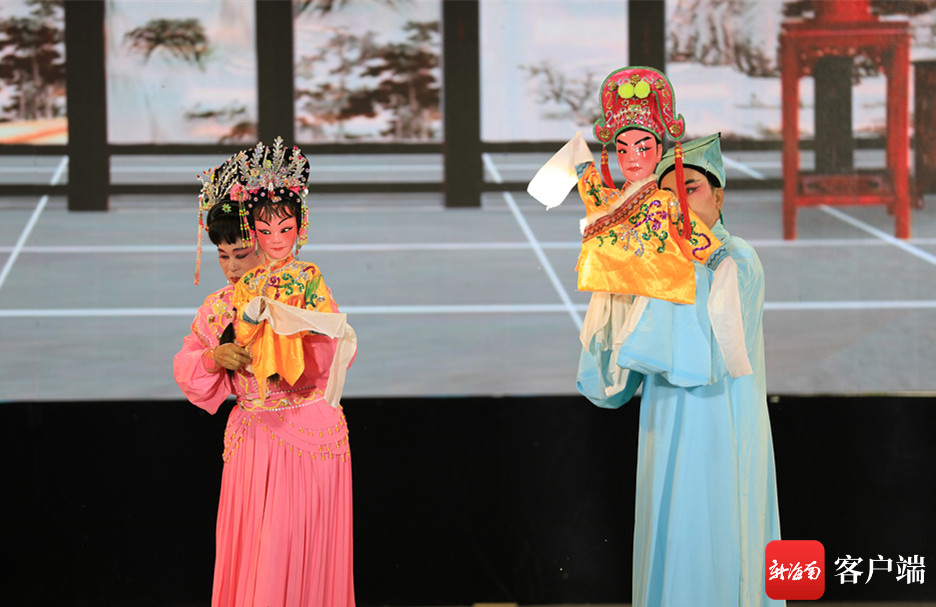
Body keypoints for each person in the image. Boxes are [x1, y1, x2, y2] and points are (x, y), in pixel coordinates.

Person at [577, 132, 784, 607]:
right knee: (668, 537)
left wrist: (645, 276)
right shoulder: (658, 266)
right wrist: (614, 280)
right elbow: (609, 385)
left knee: (721, 538)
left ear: (719, 196)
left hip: (723, 429)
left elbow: (702, 356)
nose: (678, 204)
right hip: (665, 428)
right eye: (666, 195)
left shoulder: (736, 259)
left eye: (691, 189)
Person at [174, 139, 357, 607]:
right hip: (252, 439)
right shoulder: (217, 307)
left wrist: (285, 332)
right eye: (223, 256)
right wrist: (215, 358)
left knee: (291, 552)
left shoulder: (303, 287)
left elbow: (332, 356)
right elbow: (190, 369)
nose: (233, 266)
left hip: (307, 431)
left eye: (241, 252)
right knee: (255, 555)